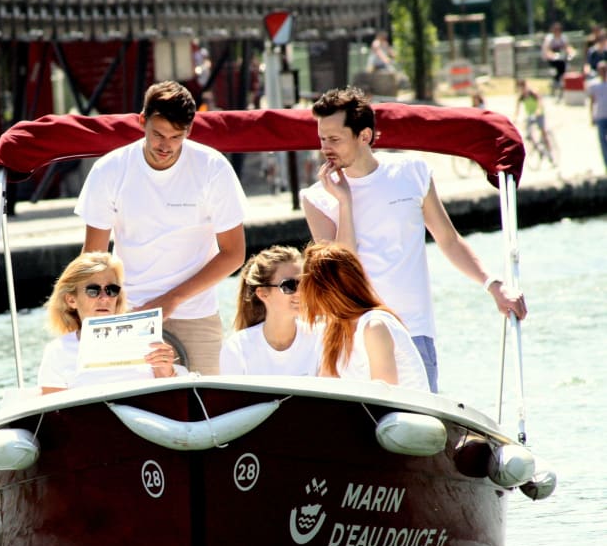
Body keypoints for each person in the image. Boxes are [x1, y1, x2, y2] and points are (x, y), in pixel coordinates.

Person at [299, 86, 527, 393]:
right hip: (352, 336)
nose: (326, 147)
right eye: (322, 138)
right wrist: (344, 203)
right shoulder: (316, 198)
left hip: (413, 331)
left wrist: (494, 285)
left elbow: (448, 239)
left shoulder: (412, 172)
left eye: (335, 139)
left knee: (419, 433)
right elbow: (340, 269)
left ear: (364, 136)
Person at [75, 80, 248, 375]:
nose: (165, 145)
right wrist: (86, 318)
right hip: (129, 314)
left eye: (176, 136)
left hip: (196, 314)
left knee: (207, 409)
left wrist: (172, 300)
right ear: (142, 121)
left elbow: (234, 254)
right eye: (157, 134)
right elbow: (93, 259)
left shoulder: (213, 168)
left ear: (189, 131)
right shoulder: (109, 170)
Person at [37, 251, 184, 394]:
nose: (105, 298)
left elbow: (169, 400)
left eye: (111, 290)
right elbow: (54, 414)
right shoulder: (57, 351)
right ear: (71, 300)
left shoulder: (148, 342)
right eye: (93, 290)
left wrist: (165, 370)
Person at [299, 242, 429, 391]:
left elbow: (385, 397)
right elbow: (326, 389)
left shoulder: (375, 327)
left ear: (326, 293)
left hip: (404, 412)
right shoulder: (335, 331)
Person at [220, 245, 319, 376]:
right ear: (263, 294)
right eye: (290, 285)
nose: (301, 292)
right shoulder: (236, 349)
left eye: (305, 284)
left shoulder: (320, 339)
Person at [514, 78, 554, 159]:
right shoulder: (521, 97)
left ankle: (550, 151)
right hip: (530, 116)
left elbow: (539, 101)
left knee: (543, 132)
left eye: (523, 88)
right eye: (520, 89)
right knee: (527, 132)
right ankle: (535, 146)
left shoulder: (533, 93)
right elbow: (517, 110)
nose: (522, 90)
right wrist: (515, 118)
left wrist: (538, 110)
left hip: (539, 114)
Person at [541, 22, 575, 97]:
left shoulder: (563, 38)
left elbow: (567, 47)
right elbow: (547, 49)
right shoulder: (550, 38)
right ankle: (554, 83)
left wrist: (571, 53)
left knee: (564, 68)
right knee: (554, 71)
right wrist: (553, 55)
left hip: (561, 59)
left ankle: (561, 85)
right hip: (552, 60)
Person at [587, 61, 607, 172]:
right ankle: (606, 165)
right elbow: (592, 102)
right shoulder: (595, 85)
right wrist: (592, 116)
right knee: (603, 143)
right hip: (600, 116)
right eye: (601, 70)